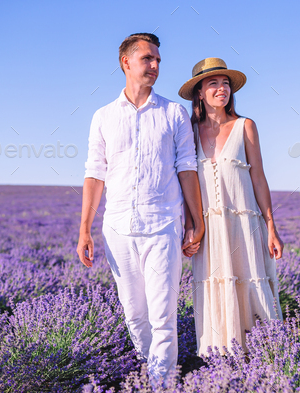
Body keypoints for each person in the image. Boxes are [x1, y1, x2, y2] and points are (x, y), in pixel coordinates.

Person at [77, 33, 205, 387]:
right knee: (135, 316)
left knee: (163, 316)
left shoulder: (173, 113)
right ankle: (154, 373)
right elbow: (94, 173)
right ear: (126, 63)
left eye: (158, 61)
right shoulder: (102, 116)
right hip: (117, 228)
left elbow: (187, 168)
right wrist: (84, 228)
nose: (155, 66)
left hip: (163, 224)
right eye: (148, 59)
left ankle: (161, 385)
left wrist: (196, 221)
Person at [178, 58, 284, 357]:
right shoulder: (189, 132)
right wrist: (191, 226)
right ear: (199, 92)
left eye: (225, 83)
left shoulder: (245, 126)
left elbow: (259, 179)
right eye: (213, 83)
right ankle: (221, 363)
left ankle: (266, 358)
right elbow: (185, 183)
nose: (221, 88)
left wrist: (271, 228)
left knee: (251, 284)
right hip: (209, 230)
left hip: (245, 226)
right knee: (215, 286)